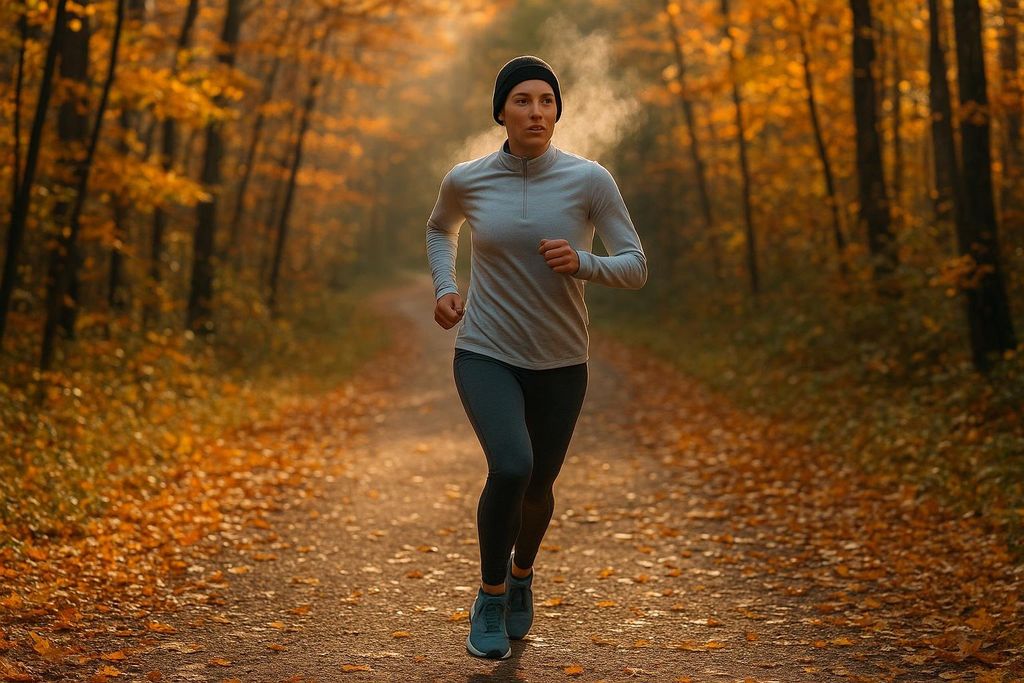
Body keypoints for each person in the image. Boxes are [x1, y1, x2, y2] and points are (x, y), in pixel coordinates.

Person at [425, 55, 648, 659]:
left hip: (561, 360)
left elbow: (636, 266)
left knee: (539, 487)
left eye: (546, 101)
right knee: (512, 465)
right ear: (501, 111)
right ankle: (491, 595)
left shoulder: (589, 180)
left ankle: (523, 575)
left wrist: (585, 263)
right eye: (522, 100)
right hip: (486, 351)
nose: (536, 111)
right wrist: (446, 287)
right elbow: (439, 228)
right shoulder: (466, 179)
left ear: (557, 112)